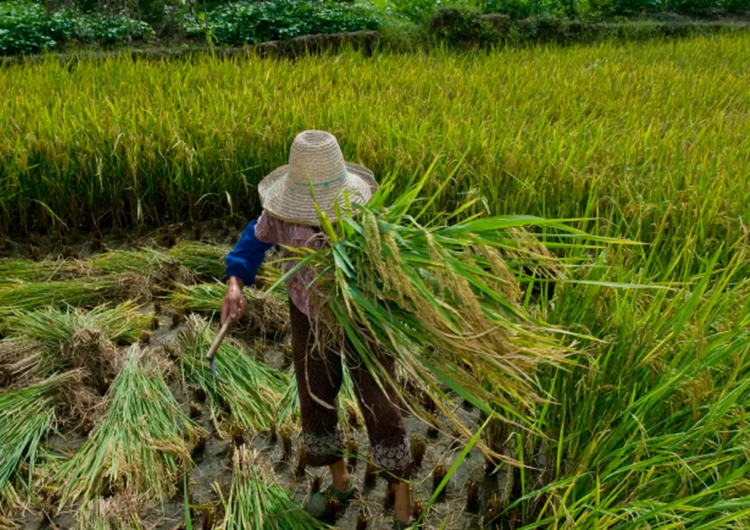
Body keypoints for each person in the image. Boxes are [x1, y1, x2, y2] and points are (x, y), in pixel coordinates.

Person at [221, 130, 413, 529]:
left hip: (361, 314)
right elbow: (251, 243)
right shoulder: (280, 216)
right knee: (315, 392)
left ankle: (401, 498)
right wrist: (235, 284)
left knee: (379, 399)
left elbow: (393, 265)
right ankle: (339, 480)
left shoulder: (361, 217)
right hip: (307, 313)